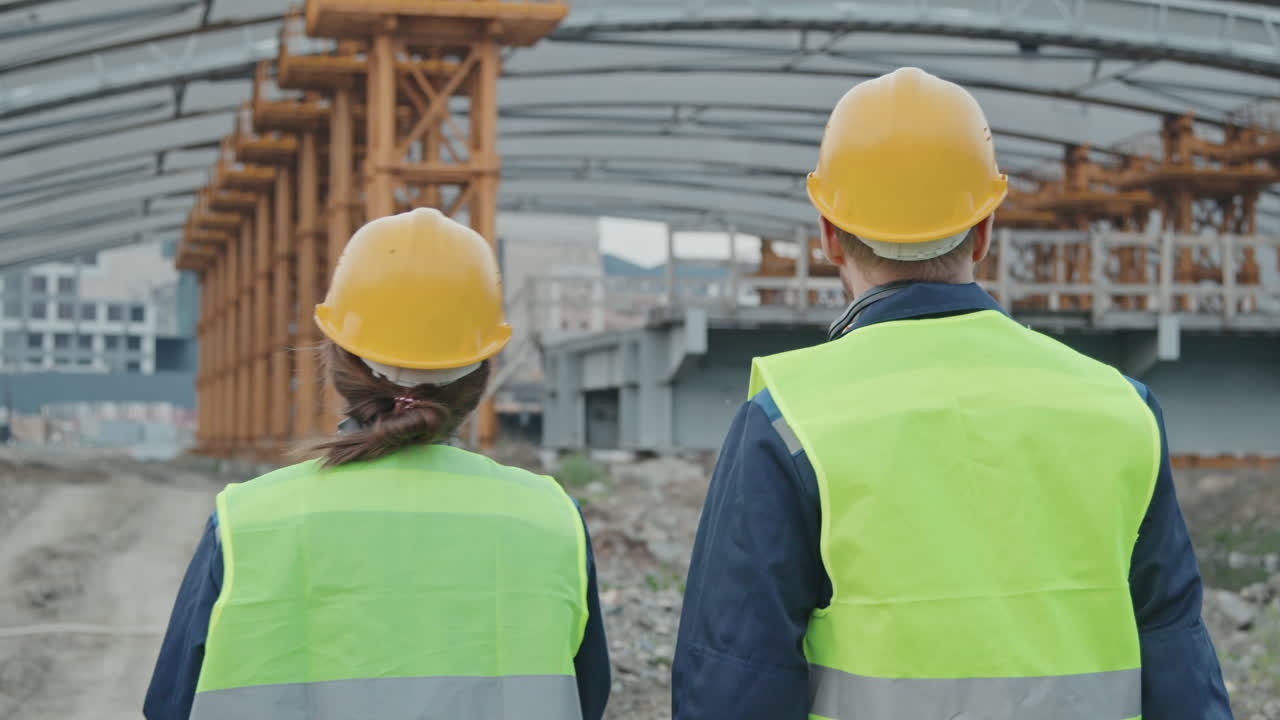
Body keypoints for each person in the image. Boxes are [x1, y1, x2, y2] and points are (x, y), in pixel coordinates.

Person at [672, 67, 1232, 720]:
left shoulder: (790, 425)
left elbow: (733, 687)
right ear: (986, 230)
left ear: (827, 235)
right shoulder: (1120, 410)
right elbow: (1179, 667)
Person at [146, 208, 610, 720]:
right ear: (479, 377)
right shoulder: (549, 521)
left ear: (338, 361)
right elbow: (586, 697)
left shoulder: (249, 521)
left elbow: (170, 705)